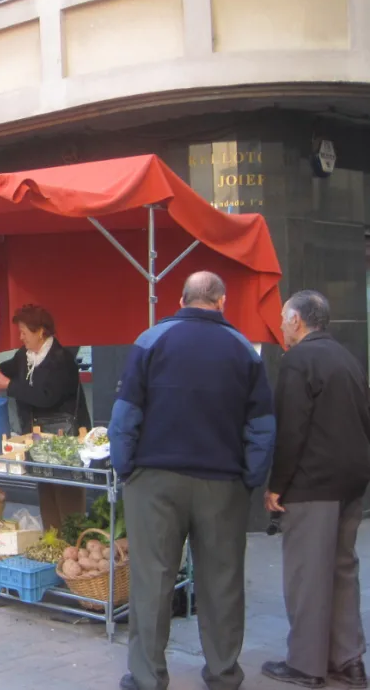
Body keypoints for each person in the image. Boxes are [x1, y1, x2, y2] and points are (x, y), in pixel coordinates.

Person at [109, 271, 275, 690]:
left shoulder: (150, 340)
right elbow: (262, 426)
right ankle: (222, 673)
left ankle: (147, 677)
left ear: (181, 299)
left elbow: (125, 414)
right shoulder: (244, 350)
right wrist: (249, 480)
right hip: (222, 482)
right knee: (221, 582)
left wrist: (126, 467)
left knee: (152, 580)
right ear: (222, 302)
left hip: (154, 479)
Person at [261, 291, 370, 689]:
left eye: (283, 318)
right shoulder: (348, 358)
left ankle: (307, 664)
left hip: (313, 482)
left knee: (308, 573)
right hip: (352, 481)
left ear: (296, 321)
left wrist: (277, 485)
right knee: (343, 569)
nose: (281, 326)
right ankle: (349, 659)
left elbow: (291, 430)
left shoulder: (298, 361)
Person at [0, 304, 91, 530]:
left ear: (40, 331)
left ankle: (73, 544)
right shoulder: (23, 357)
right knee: (46, 492)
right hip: (37, 440)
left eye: (23, 332)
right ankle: (54, 544)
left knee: (67, 494)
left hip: (64, 441)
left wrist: (9, 386)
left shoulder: (62, 359)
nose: (20, 337)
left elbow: (46, 397)